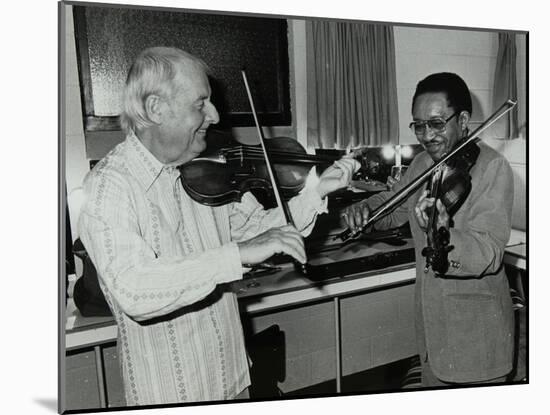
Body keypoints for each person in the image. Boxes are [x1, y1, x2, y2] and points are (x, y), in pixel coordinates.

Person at [77, 46, 358, 406]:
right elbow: (134, 290)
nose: (214, 115)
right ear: (155, 108)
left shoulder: (207, 170)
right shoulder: (109, 185)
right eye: (200, 104)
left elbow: (265, 230)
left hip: (234, 378)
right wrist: (237, 255)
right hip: (171, 396)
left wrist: (315, 191)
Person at [342, 72, 515, 387]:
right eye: (418, 125)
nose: (426, 135)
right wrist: (364, 210)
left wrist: (442, 233)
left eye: (436, 123)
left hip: (476, 337)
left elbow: (488, 253)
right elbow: (394, 206)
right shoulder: (423, 163)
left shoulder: (493, 167)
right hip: (432, 333)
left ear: (463, 121)